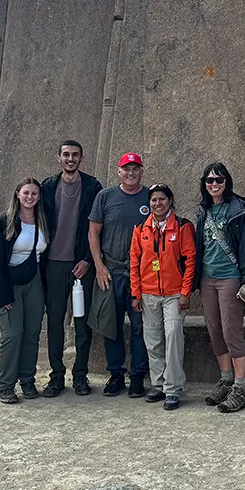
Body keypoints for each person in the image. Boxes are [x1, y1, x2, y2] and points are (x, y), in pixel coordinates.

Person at [195, 162, 245, 413]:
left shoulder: (238, 210)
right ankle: (225, 379)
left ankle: (240, 387)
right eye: (209, 181)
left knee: (231, 330)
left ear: (227, 183)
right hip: (207, 278)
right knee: (215, 329)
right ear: (204, 184)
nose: (214, 184)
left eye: (219, 180)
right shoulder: (203, 211)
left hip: (230, 277)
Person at [39, 140, 103, 398]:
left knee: (82, 323)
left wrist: (88, 259)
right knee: (55, 322)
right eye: (66, 155)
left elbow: (98, 228)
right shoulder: (47, 187)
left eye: (75, 155)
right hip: (53, 265)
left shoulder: (93, 187)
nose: (70, 159)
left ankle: (80, 375)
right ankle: (56, 376)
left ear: (81, 158)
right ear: (59, 158)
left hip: (81, 266)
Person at [0, 177, 49, 404]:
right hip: (8, 280)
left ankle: (27, 379)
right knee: (12, 334)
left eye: (34, 194)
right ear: (17, 194)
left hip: (34, 280)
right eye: (26, 193)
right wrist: (3, 295)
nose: (30, 198)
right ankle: (6, 384)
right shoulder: (5, 221)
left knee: (31, 333)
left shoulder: (42, 221)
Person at [88, 152, 151, 397]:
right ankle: (115, 374)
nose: (131, 173)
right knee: (110, 325)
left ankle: (137, 376)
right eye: (127, 169)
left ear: (141, 172)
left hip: (140, 275)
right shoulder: (105, 197)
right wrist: (99, 266)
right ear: (119, 171)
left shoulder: (151, 197)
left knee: (139, 327)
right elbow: (93, 233)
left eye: (135, 169)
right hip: (111, 272)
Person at [129, 184, 196, 411]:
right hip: (148, 293)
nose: (158, 204)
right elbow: (135, 262)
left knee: (174, 336)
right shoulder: (141, 228)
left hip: (174, 294)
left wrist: (186, 292)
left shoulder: (183, 226)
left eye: (162, 199)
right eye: (154, 200)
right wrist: (135, 293)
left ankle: (173, 388)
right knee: (153, 340)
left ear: (170, 201)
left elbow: (190, 261)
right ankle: (158, 384)